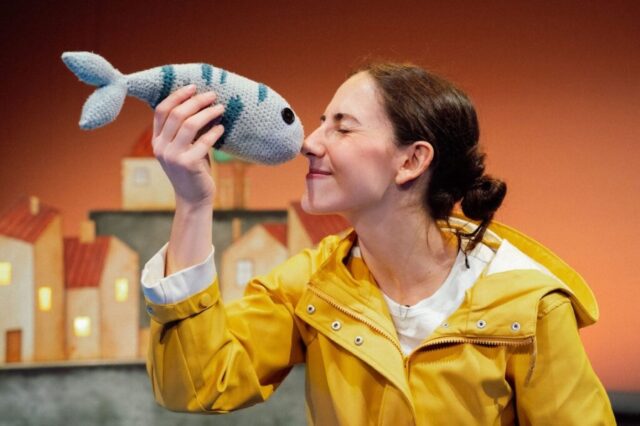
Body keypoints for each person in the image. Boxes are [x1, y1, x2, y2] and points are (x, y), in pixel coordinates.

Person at [141, 63, 615, 425]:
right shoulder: (312, 284)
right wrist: (193, 204)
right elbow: (197, 384)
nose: (310, 143)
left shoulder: (528, 305)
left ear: (411, 160)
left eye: (342, 127)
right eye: (322, 122)